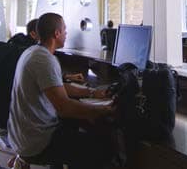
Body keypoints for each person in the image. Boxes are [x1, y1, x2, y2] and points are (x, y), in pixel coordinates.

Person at [8, 12, 113, 169]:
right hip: (37, 142)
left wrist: (93, 93)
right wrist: (100, 110)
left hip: (22, 136)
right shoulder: (44, 59)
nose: (66, 33)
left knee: (77, 123)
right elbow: (64, 108)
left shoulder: (32, 52)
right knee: (100, 149)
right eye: (64, 30)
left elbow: (58, 88)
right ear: (56, 33)